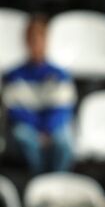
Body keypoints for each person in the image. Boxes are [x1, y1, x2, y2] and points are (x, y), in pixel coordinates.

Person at [2, 15, 77, 175]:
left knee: (64, 140)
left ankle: (57, 180)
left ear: (47, 41)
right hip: (29, 129)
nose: (37, 44)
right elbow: (15, 111)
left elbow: (63, 110)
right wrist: (38, 131)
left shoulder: (59, 75)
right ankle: (37, 178)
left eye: (40, 39)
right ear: (26, 42)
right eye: (32, 40)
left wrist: (48, 130)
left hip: (51, 129)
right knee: (24, 136)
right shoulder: (14, 76)